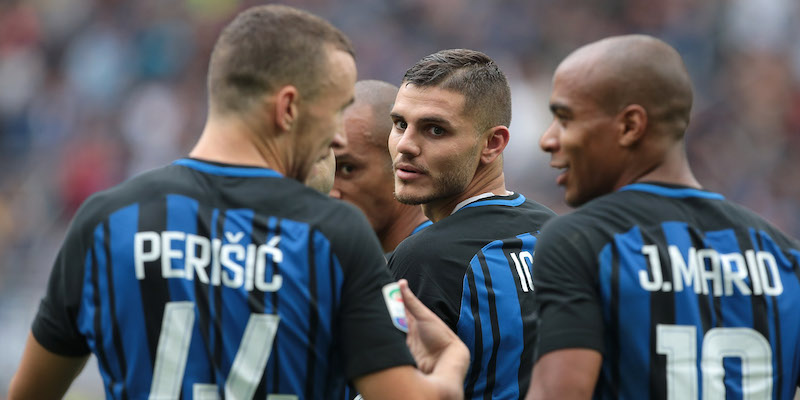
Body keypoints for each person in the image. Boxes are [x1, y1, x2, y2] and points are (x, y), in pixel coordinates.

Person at [7, 5, 470, 400]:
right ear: (287, 108)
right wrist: (451, 362)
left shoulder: (107, 221)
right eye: (333, 112)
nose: (334, 135)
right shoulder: (333, 236)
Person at [526, 34, 800, 400]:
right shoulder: (786, 258)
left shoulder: (580, 242)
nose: (548, 139)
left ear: (630, 126)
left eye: (564, 118)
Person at [387, 49, 556, 399]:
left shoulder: (426, 258)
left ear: (493, 144)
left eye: (435, 130)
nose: (405, 145)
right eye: (400, 124)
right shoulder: (557, 234)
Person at [331, 80, 430, 254]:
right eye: (324, 166)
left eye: (347, 169)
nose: (331, 192)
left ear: (400, 161)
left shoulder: (435, 259)